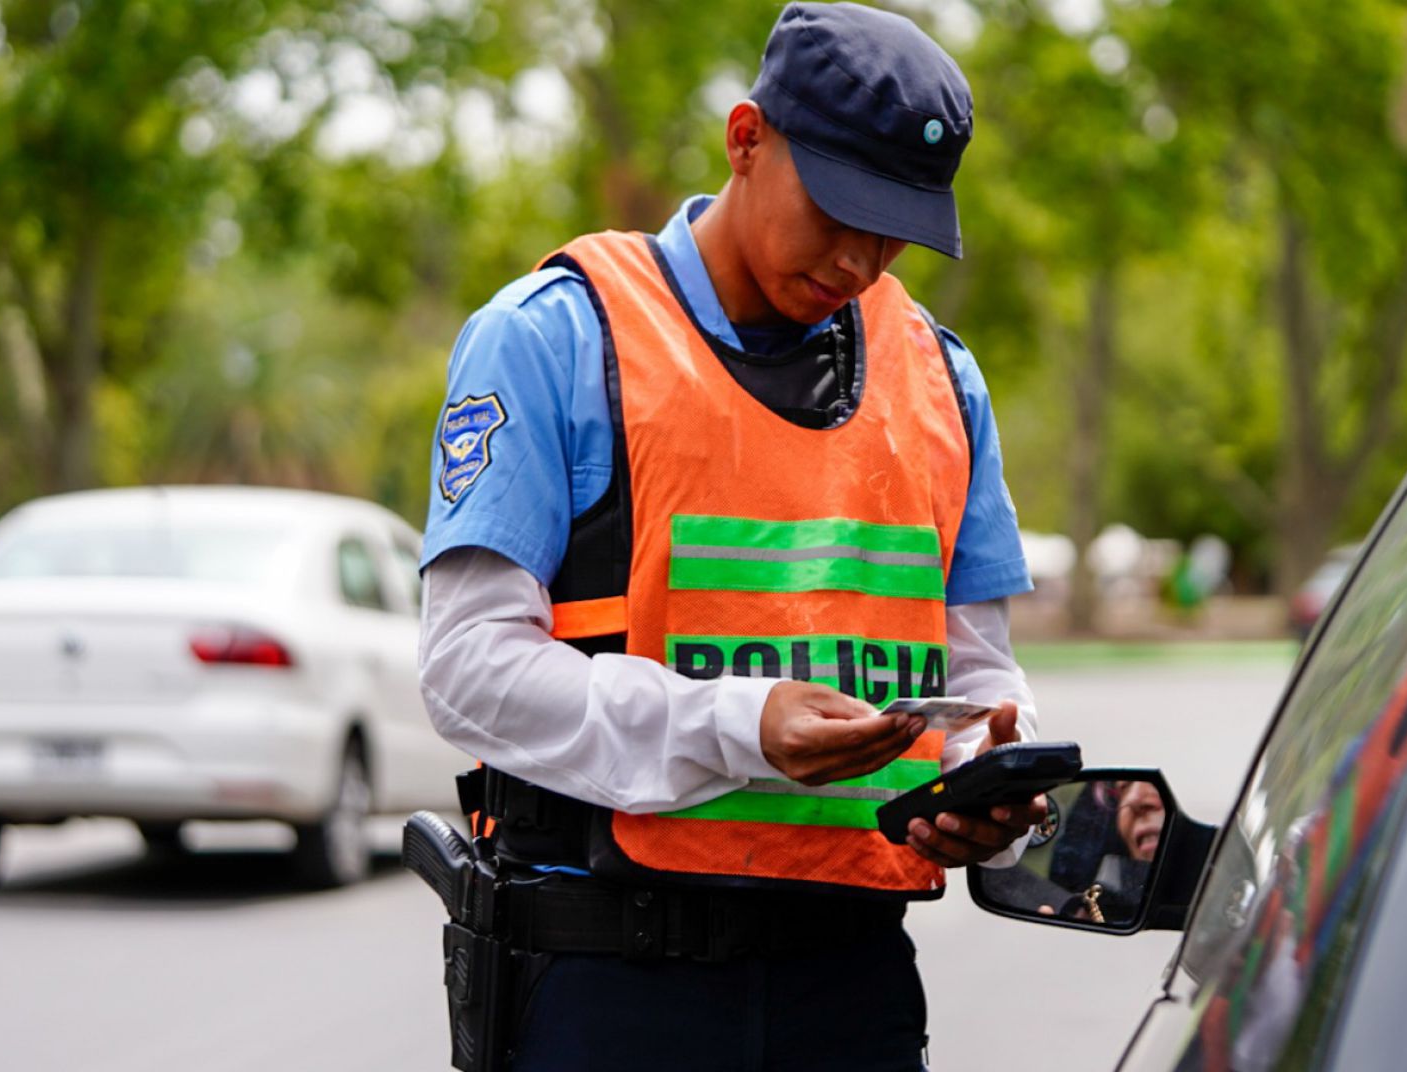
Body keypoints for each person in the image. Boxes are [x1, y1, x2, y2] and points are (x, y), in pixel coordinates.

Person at [416, 4, 1043, 1068]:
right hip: (611, 985)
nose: (859, 260)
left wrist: (986, 781)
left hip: (854, 989)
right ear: (745, 139)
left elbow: (981, 675)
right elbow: (466, 671)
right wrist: (739, 725)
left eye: (895, 230)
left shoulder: (942, 379)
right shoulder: (553, 337)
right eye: (839, 210)